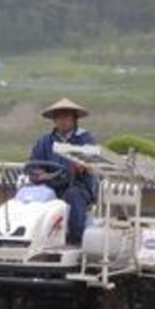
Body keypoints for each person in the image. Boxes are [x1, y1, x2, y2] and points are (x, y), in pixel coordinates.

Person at [29, 98, 96, 245]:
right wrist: (40, 174)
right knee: (27, 192)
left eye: (66, 117)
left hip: (78, 185)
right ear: (54, 120)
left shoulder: (85, 139)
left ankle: (75, 240)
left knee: (74, 195)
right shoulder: (44, 141)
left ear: (74, 119)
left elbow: (92, 162)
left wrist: (82, 166)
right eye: (59, 117)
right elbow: (33, 165)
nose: (63, 121)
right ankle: (28, 236)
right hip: (49, 184)